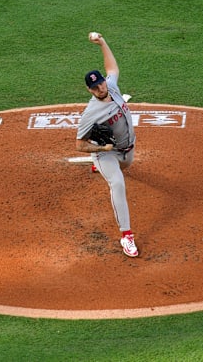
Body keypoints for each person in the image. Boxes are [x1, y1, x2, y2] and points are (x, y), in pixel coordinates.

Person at [75, 32, 138, 257]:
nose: (101, 88)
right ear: (90, 91)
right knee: (118, 184)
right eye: (96, 88)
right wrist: (101, 149)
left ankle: (105, 168)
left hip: (127, 149)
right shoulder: (90, 114)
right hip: (106, 154)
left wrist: (102, 42)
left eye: (100, 83)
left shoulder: (111, 86)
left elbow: (113, 69)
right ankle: (127, 236)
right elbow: (80, 145)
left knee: (127, 166)